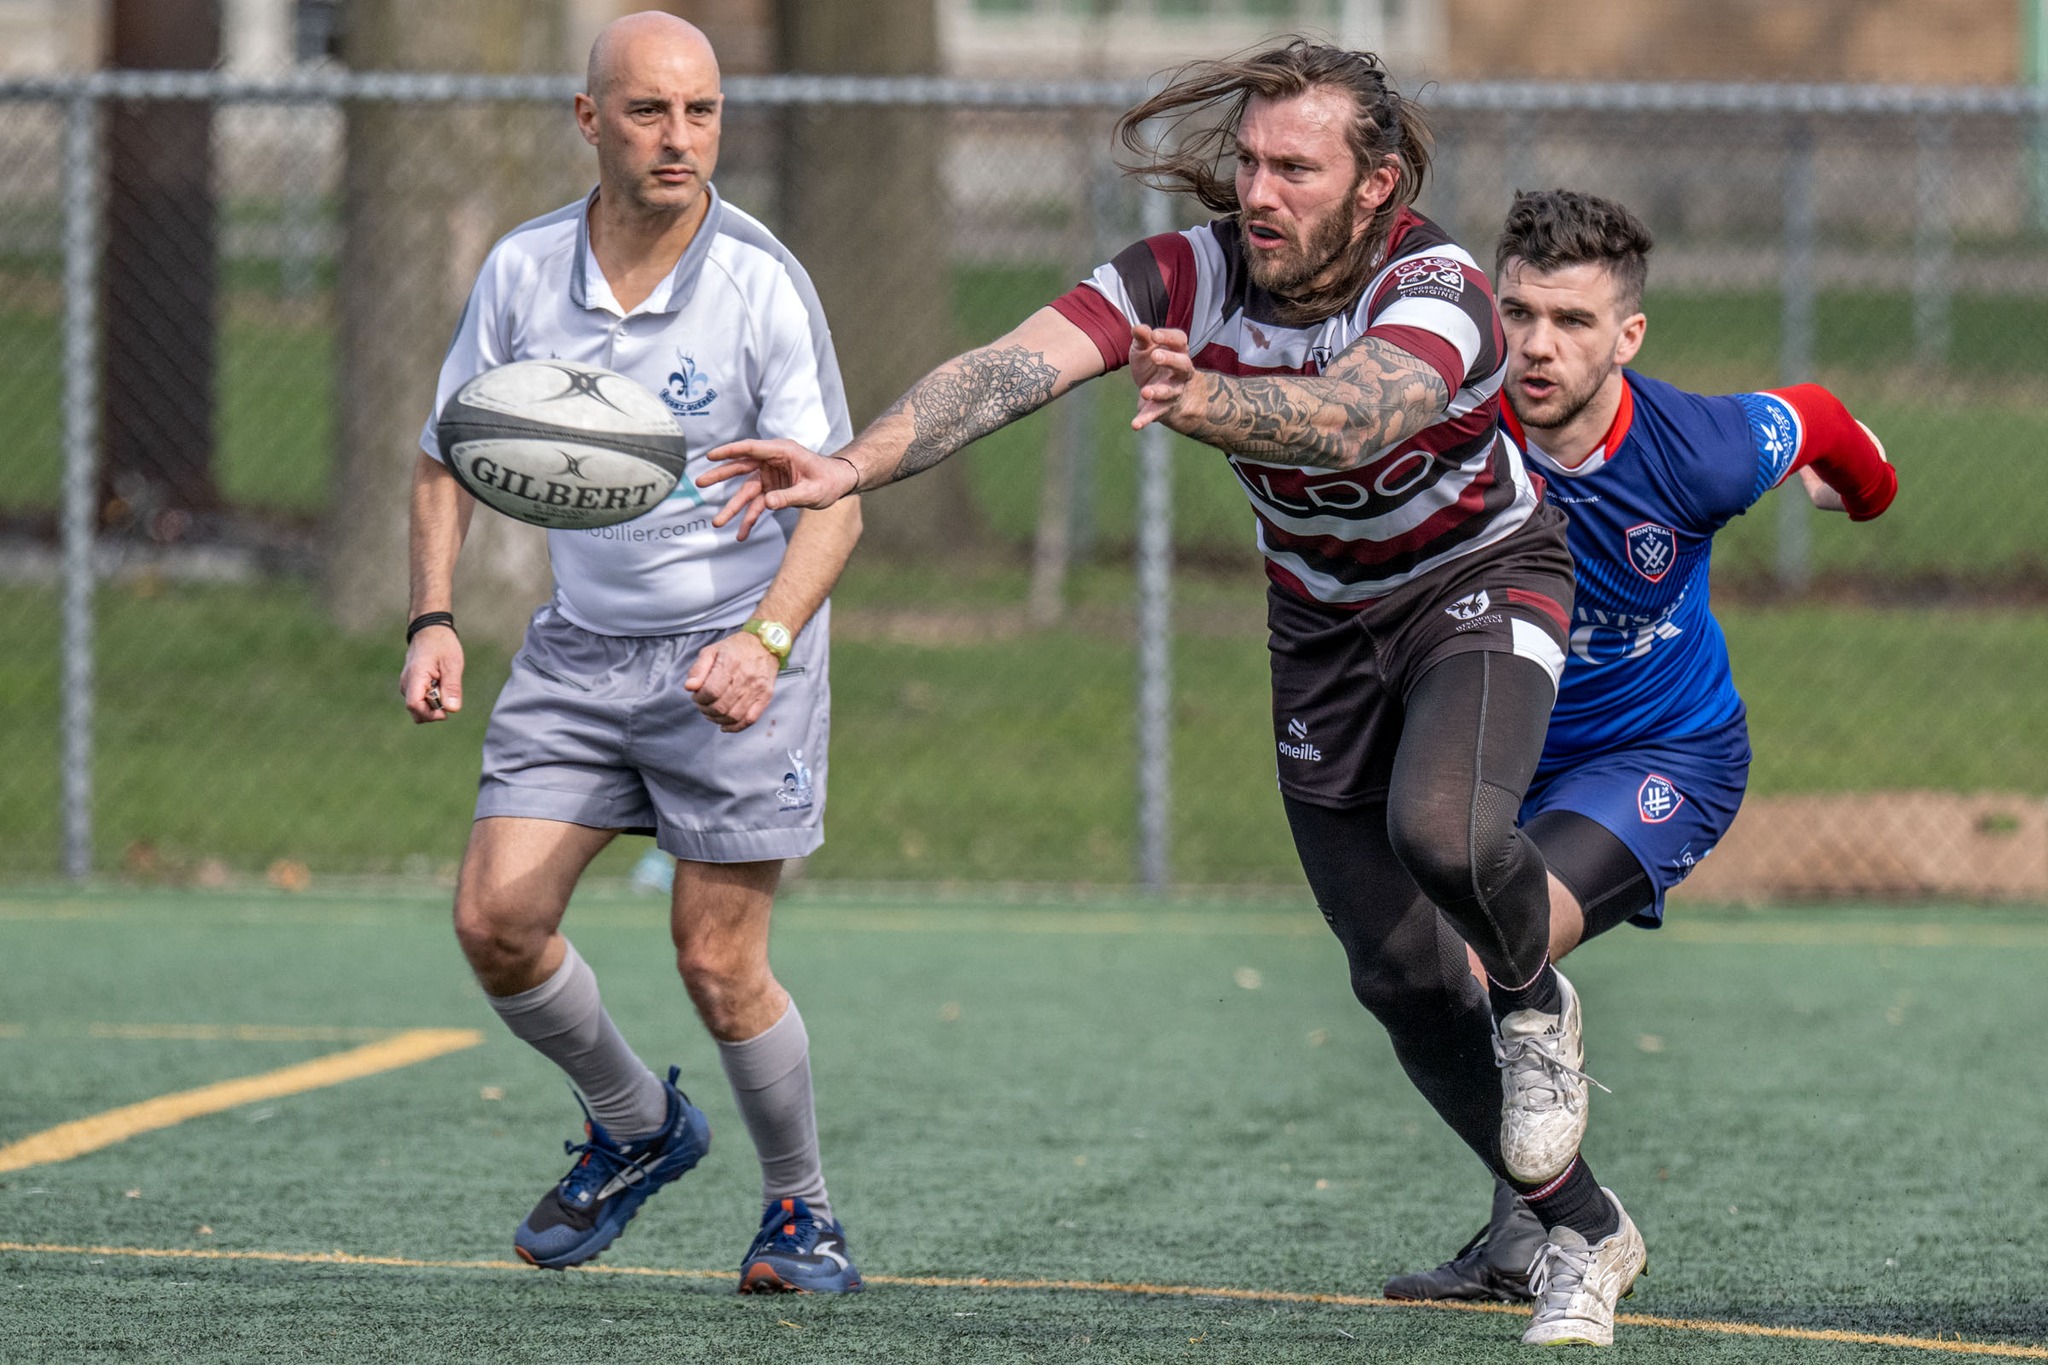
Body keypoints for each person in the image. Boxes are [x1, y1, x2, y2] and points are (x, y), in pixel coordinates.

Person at [702, 41, 1644, 1346]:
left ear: (1373, 186)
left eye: (1295, 168)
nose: (1259, 189)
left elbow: (1359, 417)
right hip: (1322, 626)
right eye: (1249, 161)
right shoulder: (1184, 275)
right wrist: (849, 466)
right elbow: (1008, 365)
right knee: (1394, 973)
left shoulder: (1443, 287)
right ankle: (1578, 1226)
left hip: (1478, 586)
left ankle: (1537, 1000)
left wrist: (1220, 400)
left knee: (1446, 833)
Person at [398, 12, 865, 1294]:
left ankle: (801, 1214)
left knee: (717, 963)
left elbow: (835, 497)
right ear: (588, 117)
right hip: (579, 649)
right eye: (650, 111)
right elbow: (446, 452)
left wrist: (765, 641)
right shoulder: (523, 269)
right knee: (496, 921)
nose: (679, 138)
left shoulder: (758, 277)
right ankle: (635, 1125)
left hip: (732, 657)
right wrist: (432, 615)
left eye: (701, 111)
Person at [1383, 189, 1897, 1304]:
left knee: (1486, 957)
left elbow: (1813, 411)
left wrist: (1863, 493)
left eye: (1571, 321)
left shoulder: (1697, 453)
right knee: (1424, 974)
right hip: (1506, 756)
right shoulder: (1453, 435)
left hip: (1663, 756)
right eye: (1515, 312)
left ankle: (1575, 1229)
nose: (1533, 345)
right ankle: (1524, 1235)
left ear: (1627, 338)